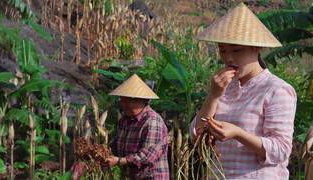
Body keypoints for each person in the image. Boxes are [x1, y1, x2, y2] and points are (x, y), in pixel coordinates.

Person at [189, 3, 297, 179]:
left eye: (236, 50)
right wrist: (213, 95)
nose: (228, 58)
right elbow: (196, 136)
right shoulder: (223, 87)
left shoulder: (277, 89)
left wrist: (238, 133)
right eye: (222, 50)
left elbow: (281, 150)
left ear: (256, 48)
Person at [105, 74, 169, 180]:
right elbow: (116, 144)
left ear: (141, 100)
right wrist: (104, 153)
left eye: (127, 101)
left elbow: (148, 156)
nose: (124, 104)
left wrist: (120, 161)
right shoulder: (124, 120)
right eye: (122, 100)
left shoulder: (152, 121)